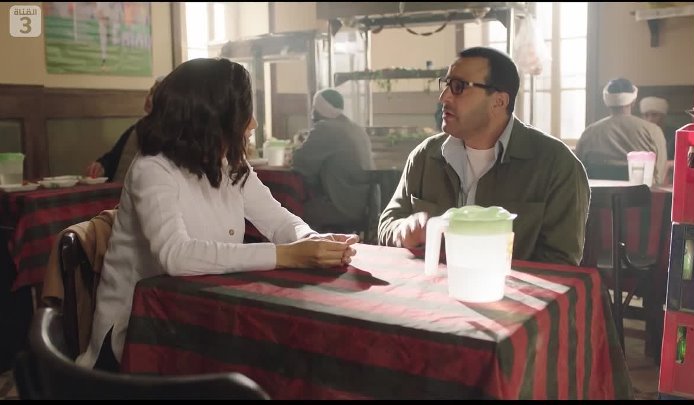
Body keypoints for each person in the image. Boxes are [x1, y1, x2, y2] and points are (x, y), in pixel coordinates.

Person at [75, 58, 358, 371]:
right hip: (140, 335)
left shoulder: (228, 162)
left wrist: (314, 240)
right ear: (210, 116)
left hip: (201, 316)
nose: (253, 124)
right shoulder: (152, 168)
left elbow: (277, 219)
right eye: (243, 112)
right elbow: (176, 256)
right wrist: (287, 256)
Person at [377, 47, 590, 266]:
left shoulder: (556, 165)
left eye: (458, 87)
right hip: (431, 285)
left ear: (499, 101)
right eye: (446, 85)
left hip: (505, 287)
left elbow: (561, 264)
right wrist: (403, 231)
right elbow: (388, 223)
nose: (443, 97)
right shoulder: (425, 156)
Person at [292, 88, 375, 231]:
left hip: (342, 207)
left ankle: (313, 243)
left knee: (290, 211)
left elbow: (300, 162)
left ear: (319, 110)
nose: (312, 114)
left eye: (314, 108)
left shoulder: (326, 128)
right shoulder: (356, 128)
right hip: (366, 206)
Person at [575, 78, 667, 185]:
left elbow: (577, 172)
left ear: (606, 102)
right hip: (640, 195)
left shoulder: (588, 133)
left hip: (597, 195)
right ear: (633, 102)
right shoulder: (652, 131)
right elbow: (659, 176)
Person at [85, 76, 164, 183]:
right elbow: (113, 157)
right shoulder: (137, 128)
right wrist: (101, 166)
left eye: (156, 95)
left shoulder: (170, 137)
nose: (149, 99)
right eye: (151, 92)